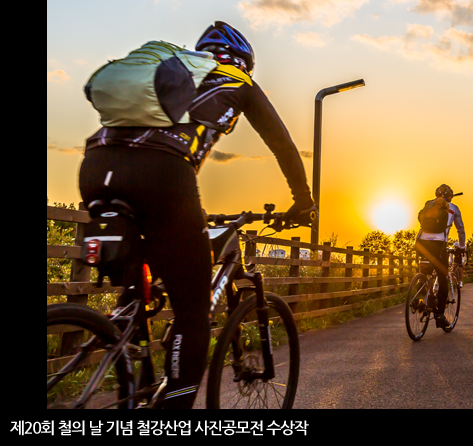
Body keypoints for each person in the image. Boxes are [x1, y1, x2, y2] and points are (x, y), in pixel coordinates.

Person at [78, 21, 314, 409]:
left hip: (96, 169)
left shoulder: (171, 70)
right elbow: (284, 146)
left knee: (140, 285)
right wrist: (303, 201)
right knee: (193, 311)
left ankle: (129, 370)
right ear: (244, 61)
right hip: (164, 176)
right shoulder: (237, 78)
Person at [415, 184, 466, 328]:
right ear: (449, 197)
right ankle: (439, 315)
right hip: (439, 244)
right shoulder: (453, 208)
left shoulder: (429, 205)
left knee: (425, 271)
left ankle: (420, 298)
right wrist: (461, 247)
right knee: (443, 278)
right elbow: (460, 230)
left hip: (422, 242)